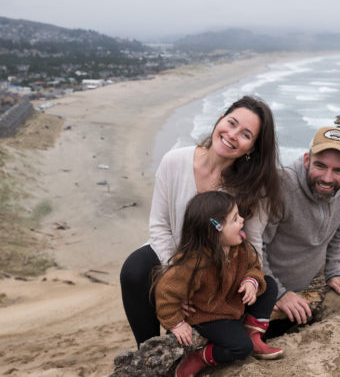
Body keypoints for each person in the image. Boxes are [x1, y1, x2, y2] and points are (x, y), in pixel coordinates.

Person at [120, 96, 282, 347]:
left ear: (251, 148)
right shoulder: (174, 161)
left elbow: (252, 242)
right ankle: (149, 350)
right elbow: (160, 226)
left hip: (219, 269)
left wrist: (245, 279)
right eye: (231, 123)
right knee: (134, 271)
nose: (232, 134)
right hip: (173, 256)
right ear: (219, 120)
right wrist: (177, 278)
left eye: (246, 134)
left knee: (265, 285)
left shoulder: (254, 188)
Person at [154, 191, 283, 377]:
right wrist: (176, 323)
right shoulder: (194, 263)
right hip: (207, 315)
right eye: (235, 219)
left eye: (239, 216)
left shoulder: (240, 248)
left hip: (230, 302)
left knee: (269, 285)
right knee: (241, 348)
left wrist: (251, 281)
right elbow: (166, 291)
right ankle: (200, 357)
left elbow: (254, 267)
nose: (242, 221)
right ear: (214, 230)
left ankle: (253, 334)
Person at [262, 126, 340, 325]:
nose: (327, 178)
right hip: (262, 293)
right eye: (320, 165)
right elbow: (255, 246)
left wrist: (334, 272)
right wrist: (277, 293)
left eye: (338, 170)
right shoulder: (282, 186)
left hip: (301, 292)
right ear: (307, 159)